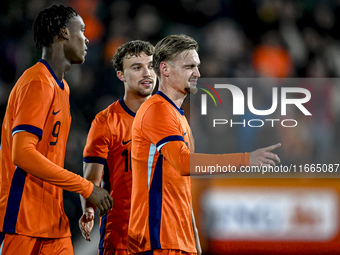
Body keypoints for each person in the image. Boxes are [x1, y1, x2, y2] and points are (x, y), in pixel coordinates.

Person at [127, 34, 281, 255]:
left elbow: (181, 184)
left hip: (175, 239)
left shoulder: (177, 116)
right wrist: (245, 159)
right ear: (165, 69)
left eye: (197, 66)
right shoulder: (157, 110)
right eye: (189, 66)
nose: (197, 73)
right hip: (157, 238)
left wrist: (193, 237)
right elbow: (184, 163)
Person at [0, 5, 113, 255]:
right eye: (81, 31)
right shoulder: (37, 82)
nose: (86, 39)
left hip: (53, 222)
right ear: (63, 34)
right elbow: (22, 155)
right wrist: (84, 187)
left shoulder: (60, 86)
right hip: (23, 222)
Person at [78, 40, 156, 255]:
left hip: (164, 236)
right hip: (122, 237)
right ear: (121, 75)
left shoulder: (174, 119)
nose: (146, 73)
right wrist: (88, 211)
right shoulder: (106, 121)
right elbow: (91, 180)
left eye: (150, 66)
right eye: (137, 67)